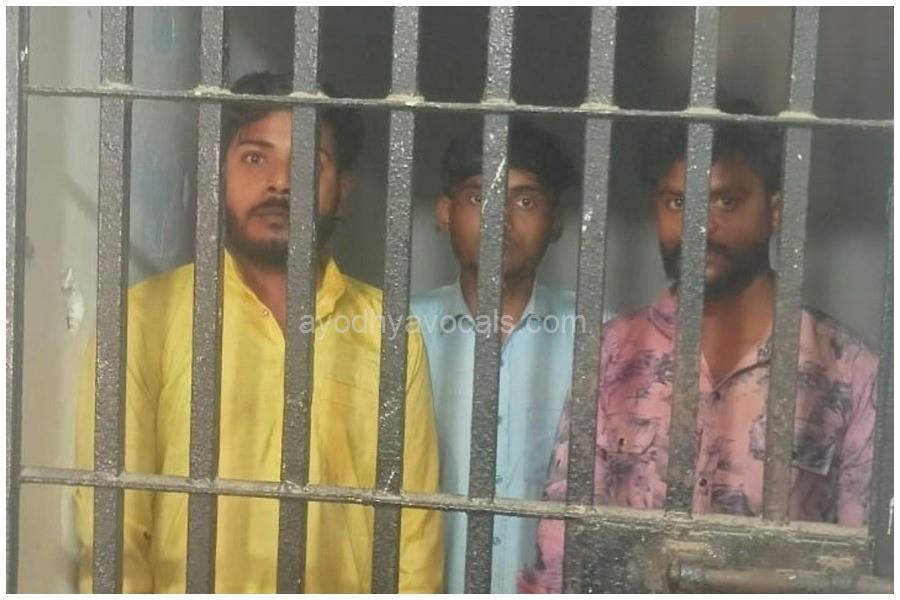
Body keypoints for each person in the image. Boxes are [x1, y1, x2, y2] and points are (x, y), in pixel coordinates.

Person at [74, 72, 443, 593]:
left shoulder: (389, 333)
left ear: (342, 192)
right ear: (217, 175)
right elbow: (113, 524)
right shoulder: (144, 318)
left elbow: (416, 530)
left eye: (308, 163)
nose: (280, 182)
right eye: (254, 158)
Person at [519, 101, 878, 592]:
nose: (698, 226)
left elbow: (859, 560)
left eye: (726, 202)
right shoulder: (613, 350)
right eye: (676, 203)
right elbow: (563, 536)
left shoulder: (849, 371)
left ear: (775, 212)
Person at [410, 119, 582, 593]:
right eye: (477, 197)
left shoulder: (603, 340)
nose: (499, 219)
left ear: (557, 221)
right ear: (445, 213)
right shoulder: (398, 333)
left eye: (525, 201)